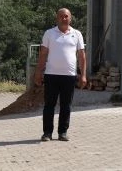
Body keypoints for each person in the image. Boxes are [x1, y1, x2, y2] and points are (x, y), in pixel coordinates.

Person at [34, 7, 87, 142]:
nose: (64, 19)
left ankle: (62, 132)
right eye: (61, 16)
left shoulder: (77, 34)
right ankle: (47, 133)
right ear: (57, 18)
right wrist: (38, 73)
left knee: (66, 105)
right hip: (51, 75)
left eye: (66, 16)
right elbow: (43, 54)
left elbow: (81, 56)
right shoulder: (49, 34)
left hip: (69, 76)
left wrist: (83, 75)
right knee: (49, 105)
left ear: (70, 18)